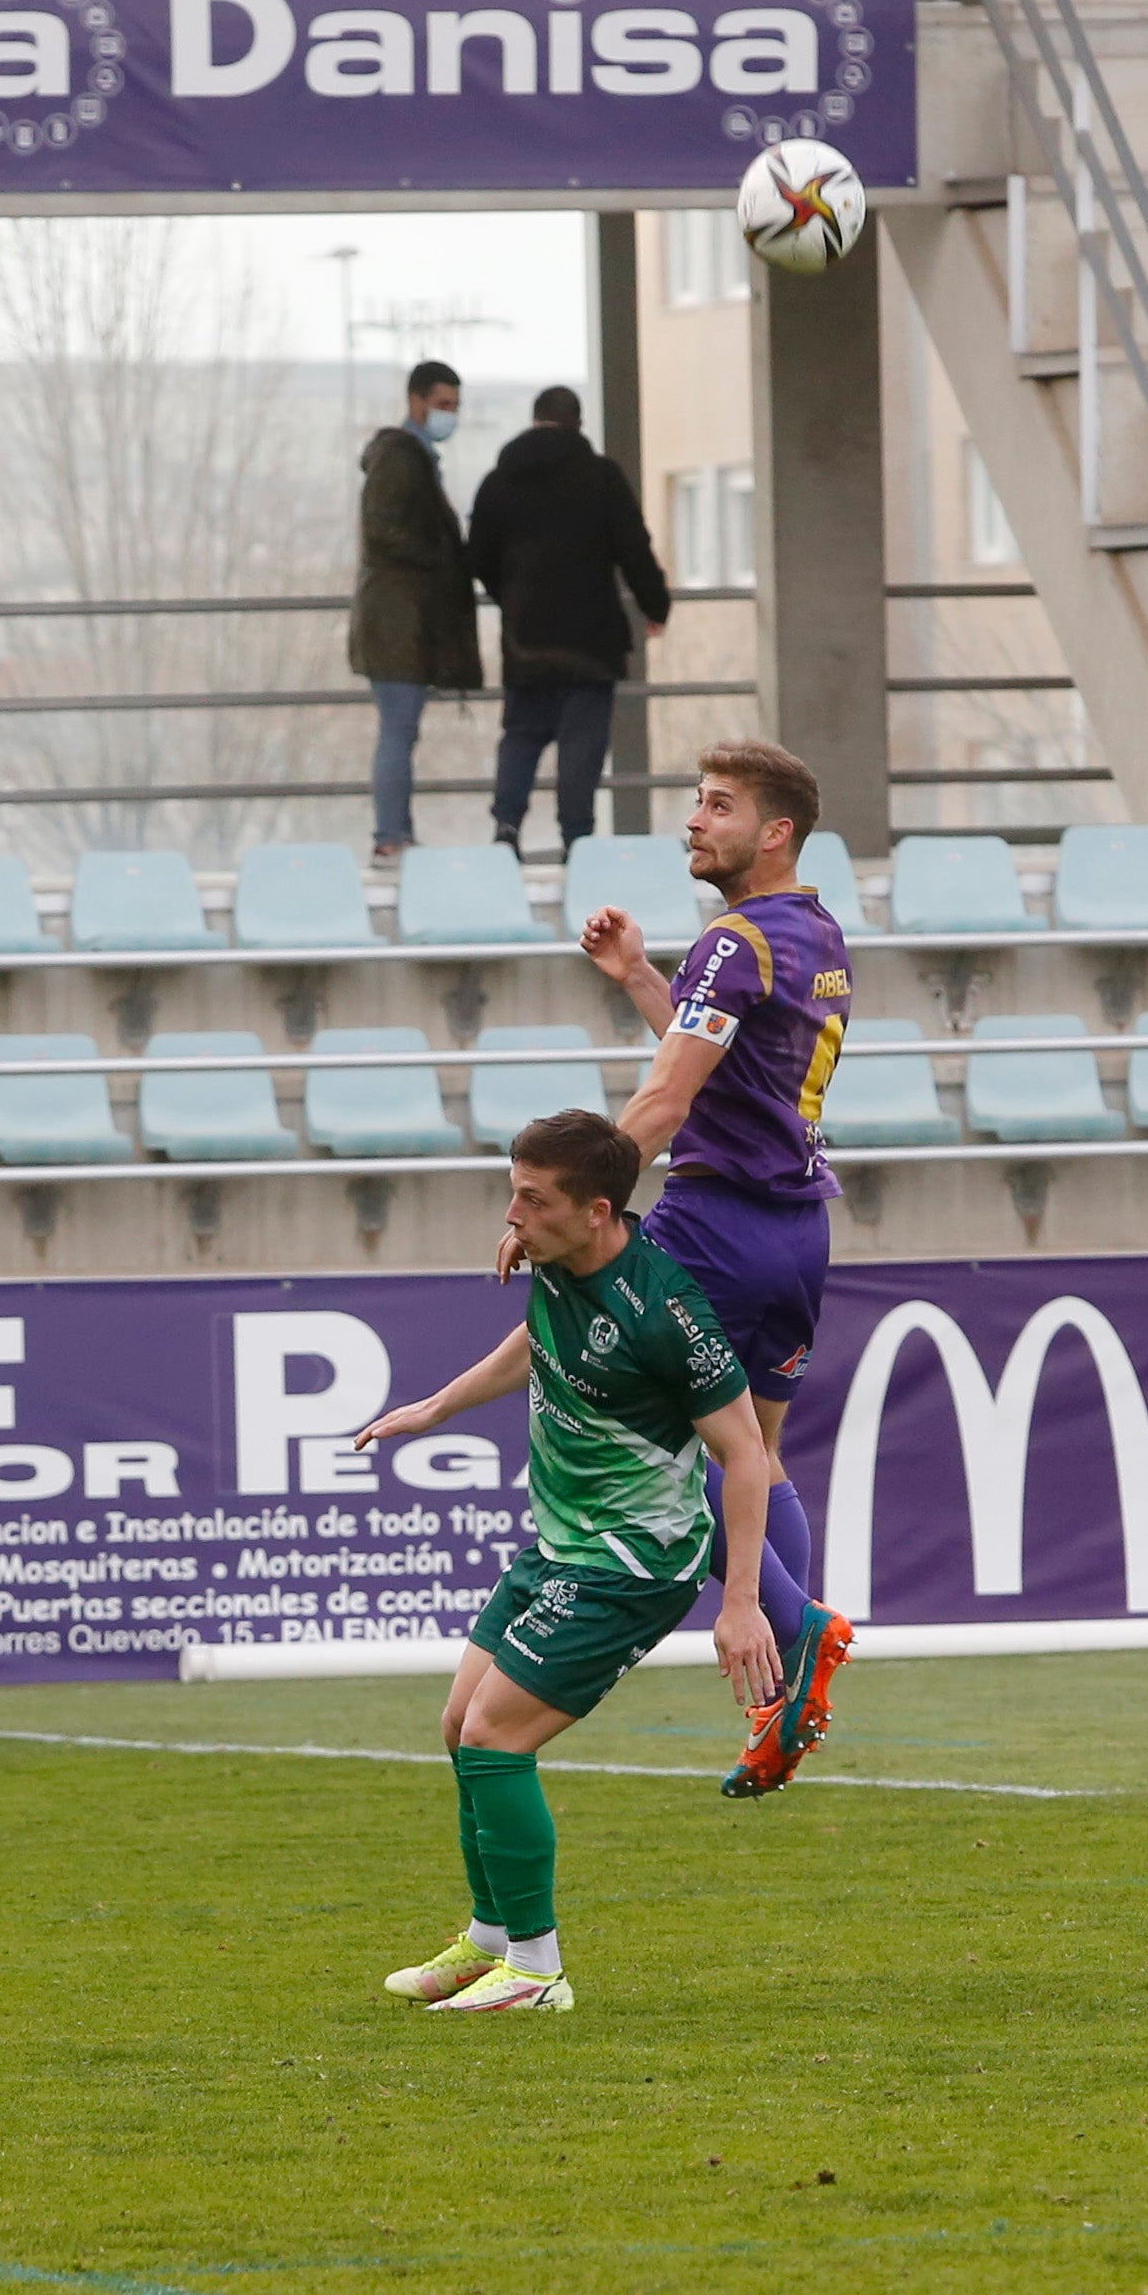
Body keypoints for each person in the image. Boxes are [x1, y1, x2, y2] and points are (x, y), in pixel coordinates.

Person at [357, 1108, 776, 2014]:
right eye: (512, 1191)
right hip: (563, 1543)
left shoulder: (668, 1311)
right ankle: (490, 1941)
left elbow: (747, 1453)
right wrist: (434, 1406)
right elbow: (537, 1342)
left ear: (597, 1212)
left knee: (495, 1735)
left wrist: (739, 1602)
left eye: (531, 1199)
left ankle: (539, 1973)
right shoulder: (554, 1259)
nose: (512, 1215)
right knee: (459, 1722)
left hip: (632, 1562)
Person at [500, 741, 854, 1801]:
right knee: (755, 1452)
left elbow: (662, 1105)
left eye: (717, 806)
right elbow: (728, 1069)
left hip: (710, 1222)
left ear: (774, 830)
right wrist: (645, 981)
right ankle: (790, 1665)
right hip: (795, 1228)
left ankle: (795, 1633)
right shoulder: (814, 932)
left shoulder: (733, 940)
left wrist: (572, 1206)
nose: (694, 823)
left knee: (654, 1451)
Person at [467, 384, 670, 859]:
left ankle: (507, 827)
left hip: (526, 637)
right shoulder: (601, 477)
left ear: (534, 420)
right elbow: (633, 548)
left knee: (521, 734)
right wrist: (654, 607)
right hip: (591, 637)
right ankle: (576, 839)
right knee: (582, 743)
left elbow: (476, 556)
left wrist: (511, 598)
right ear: (578, 424)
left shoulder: (499, 481)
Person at [349, 359, 482, 869]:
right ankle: (391, 837)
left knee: (400, 731)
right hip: (397, 626)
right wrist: (442, 554)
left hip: (400, 624)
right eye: (444, 405)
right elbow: (384, 530)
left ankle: (395, 834)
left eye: (455, 407)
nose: (450, 415)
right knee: (398, 732)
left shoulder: (411, 457)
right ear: (417, 401)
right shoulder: (401, 459)